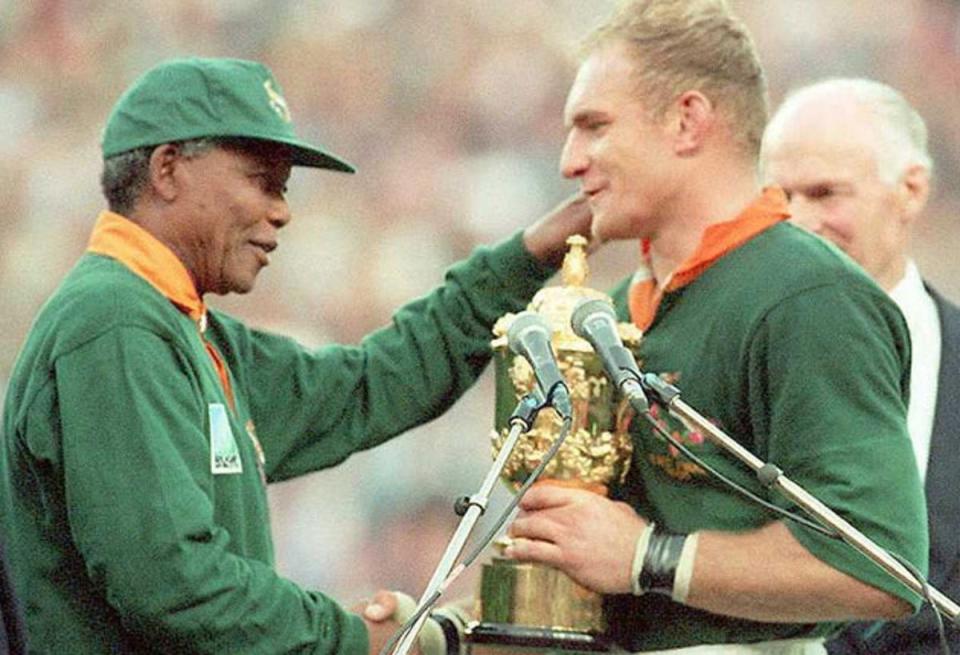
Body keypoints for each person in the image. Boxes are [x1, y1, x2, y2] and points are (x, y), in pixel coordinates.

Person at [0, 56, 593, 654]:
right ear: (168, 170)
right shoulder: (116, 325)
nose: (281, 210)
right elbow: (175, 587)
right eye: (263, 181)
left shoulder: (182, 326)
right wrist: (358, 637)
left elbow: (365, 388)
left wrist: (527, 256)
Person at [488, 1, 928, 653]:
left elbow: (882, 568)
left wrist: (649, 555)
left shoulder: (806, 294)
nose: (569, 162)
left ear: (687, 122)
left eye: (594, 126)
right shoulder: (608, 312)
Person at [761, 77, 960, 655]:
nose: (797, 222)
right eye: (779, 199)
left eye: (825, 194)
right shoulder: (716, 363)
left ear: (911, 190)